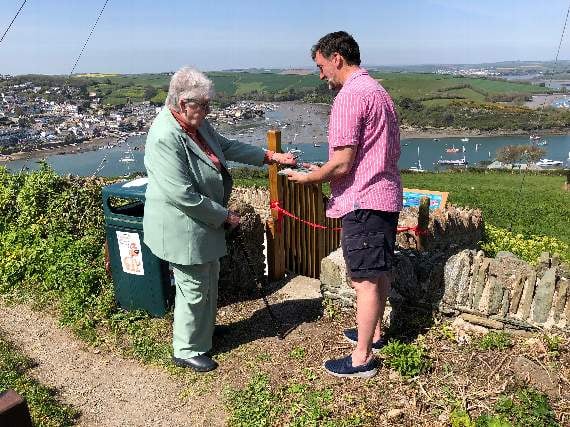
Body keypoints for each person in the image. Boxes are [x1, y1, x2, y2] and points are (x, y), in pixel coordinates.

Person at [143, 66, 296, 372]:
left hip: (201, 223)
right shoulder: (165, 136)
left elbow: (226, 147)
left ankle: (204, 333)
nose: (209, 110)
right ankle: (186, 348)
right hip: (183, 226)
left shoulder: (194, 124)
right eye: (204, 105)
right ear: (184, 104)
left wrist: (269, 157)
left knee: (208, 279)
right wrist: (225, 215)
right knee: (194, 287)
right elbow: (182, 195)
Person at [287, 31, 402, 378]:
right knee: (377, 273)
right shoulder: (378, 91)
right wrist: (323, 168)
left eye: (321, 66)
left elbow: (342, 163)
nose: (321, 75)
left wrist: (310, 178)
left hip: (361, 199)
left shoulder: (349, 97)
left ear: (337, 58)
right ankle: (375, 333)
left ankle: (361, 358)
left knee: (363, 280)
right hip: (384, 194)